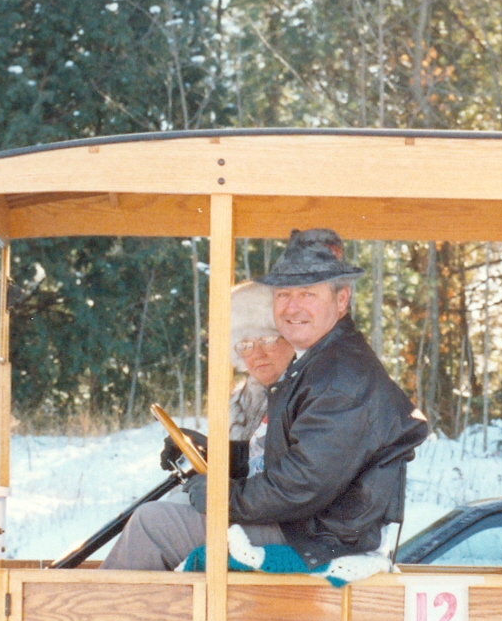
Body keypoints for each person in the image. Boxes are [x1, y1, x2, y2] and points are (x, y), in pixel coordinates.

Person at [103, 228, 428, 571]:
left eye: (307, 294)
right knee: (171, 509)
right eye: (283, 294)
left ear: (341, 299)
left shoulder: (341, 376)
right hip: (310, 526)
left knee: (153, 524)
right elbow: (290, 456)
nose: (292, 307)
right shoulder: (320, 362)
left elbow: (303, 483)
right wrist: (214, 452)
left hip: (316, 538)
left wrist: (224, 498)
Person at [158, 281, 295, 479]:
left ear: (292, 340)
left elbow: (285, 473)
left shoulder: (304, 393)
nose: (258, 354)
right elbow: (250, 461)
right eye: (246, 345)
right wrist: (204, 448)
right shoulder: (240, 403)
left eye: (267, 341)